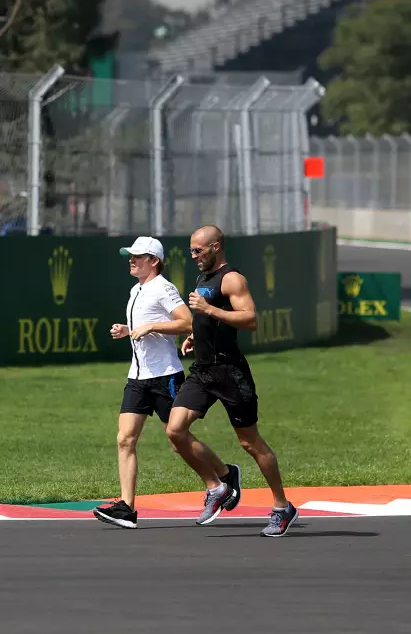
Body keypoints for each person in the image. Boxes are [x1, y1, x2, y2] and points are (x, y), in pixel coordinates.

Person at [168, 224, 298, 537]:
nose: (193, 256)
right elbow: (207, 320)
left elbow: (251, 319)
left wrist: (209, 309)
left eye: (198, 250)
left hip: (230, 372)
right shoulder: (204, 276)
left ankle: (282, 507)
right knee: (175, 431)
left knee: (249, 442)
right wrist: (194, 336)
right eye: (191, 251)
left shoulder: (232, 278)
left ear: (216, 247)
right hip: (202, 370)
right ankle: (220, 484)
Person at [92, 236, 194, 529]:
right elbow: (146, 328)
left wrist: (149, 326)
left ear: (154, 261)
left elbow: (187, 322)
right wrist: (130, 330)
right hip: (138, 377)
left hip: (165, 376)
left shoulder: (164, 288)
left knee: (178, 441)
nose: (131, 260)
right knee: (125, 439)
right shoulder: (137, 289)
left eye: (138, 256)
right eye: (130, 255)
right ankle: (126, 507)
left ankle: (222, 478)